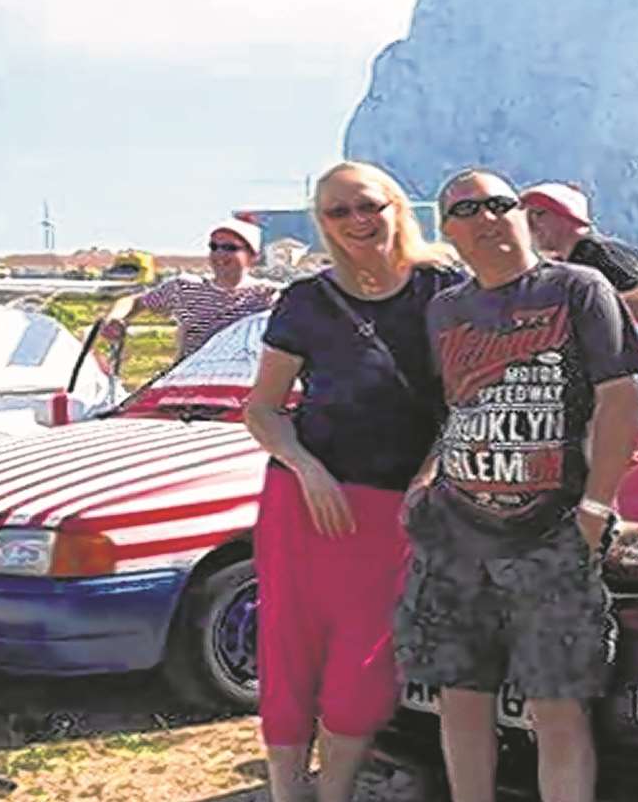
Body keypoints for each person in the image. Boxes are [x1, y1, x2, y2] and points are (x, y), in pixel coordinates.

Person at [396, 169, 638, 802]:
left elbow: (621, 398)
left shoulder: (578, 288)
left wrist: (597, 507)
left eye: (498, 204)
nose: (484, 219)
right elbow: (457, 408)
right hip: (455, 537)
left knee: (558, 707)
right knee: (461, 698)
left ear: (524, 215)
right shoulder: (445, 309)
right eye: (465, 210)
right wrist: (424, 482)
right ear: (446, 230)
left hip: (553, 532)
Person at [241, 162, 464, 802]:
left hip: (398, 505)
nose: (358, 222)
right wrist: (306, 468)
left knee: (366, 663)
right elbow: (262, 408)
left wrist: (430, 474)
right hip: (304, 502)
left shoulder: (444, 292)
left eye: (368, 205)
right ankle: (287, 792)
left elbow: (469, 401)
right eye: (339, 213)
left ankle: (333, 790)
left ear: (397, 205)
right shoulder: (306, 301)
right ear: (323, 223)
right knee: (288, 650)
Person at [102, 219, 281, 359]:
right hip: (189, 382)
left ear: (253, 256)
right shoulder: (186, 288)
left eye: (230, 248)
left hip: (243, 384)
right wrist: (115, 319)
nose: (219, 254)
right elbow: (133, 301)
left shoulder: (268, 295)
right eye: (214, 247)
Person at [521, 181, 638, 322]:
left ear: (568, 214)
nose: (530, 226)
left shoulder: (599, 251)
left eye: (538, 214)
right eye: (526, 218)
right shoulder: (569, 261)